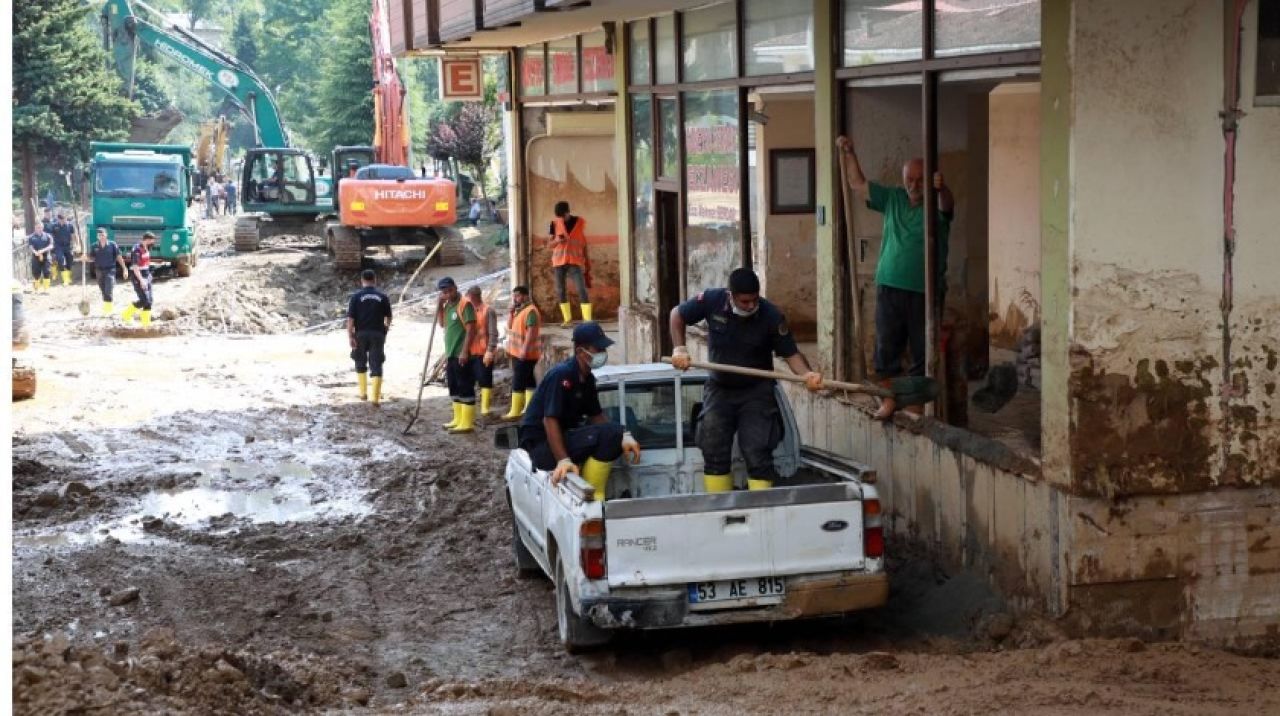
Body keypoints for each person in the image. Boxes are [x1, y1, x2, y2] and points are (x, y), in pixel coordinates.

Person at [669, 268, 823, 493]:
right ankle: (719, 509)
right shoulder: (712, 300)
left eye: (754, 300)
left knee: (757, 450)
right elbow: (677, 315)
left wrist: (807, 375)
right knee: (713, 447)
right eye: (744, 301)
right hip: (720, 389)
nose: (751, 306)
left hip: (756, 392)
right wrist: (679, 348)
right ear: (730, 295)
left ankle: (761, 512)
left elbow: (791, 354)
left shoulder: (771, 316)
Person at [836, 135, 953, 419]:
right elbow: (857, 184)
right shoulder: (894, 199)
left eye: (920, 180)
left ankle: (913, 408)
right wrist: (850, 153)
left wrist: (943, 188)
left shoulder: (937, 207)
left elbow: (947, 205)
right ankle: (890, 400)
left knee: (922, 354)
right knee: (886, 352)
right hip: (889, 287)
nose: (913, 185)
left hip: (924, 290)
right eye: (909, 179)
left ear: (930, 181)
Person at [518, 322, 641, 500]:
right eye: (597, 349)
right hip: (541, 448)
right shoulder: (562, 375)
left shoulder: (587, 379)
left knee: (614, 433)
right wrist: (563, 460)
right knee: (610, 435)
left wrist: (624, 434)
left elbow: (596, 416)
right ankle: (592, 499)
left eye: (603, 349)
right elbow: (549, 420)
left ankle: (592, 492)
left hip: (562, 440)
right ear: (580, 351)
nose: (602, 354)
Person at [437, 276, 478, 434]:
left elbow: (471, 329)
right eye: (444, 292)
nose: (447, 294)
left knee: (465, 386)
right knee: (454, 386)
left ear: (455, 287)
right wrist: (440, 306)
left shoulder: (465, 304)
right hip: (451, 353)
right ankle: (458, 419)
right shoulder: (448, 305)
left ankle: (467, 423)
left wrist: (464, 351)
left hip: (462, 354)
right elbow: (442, 324)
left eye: (449, 290)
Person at [346, 268, 393, 405]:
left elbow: (350, 320)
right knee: (376, 363)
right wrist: (385, 329)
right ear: (375, 280)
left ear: (362, 281)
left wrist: (350, 336)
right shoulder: (383, 297)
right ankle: (375, 398)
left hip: (360, 333)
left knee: (360, 361)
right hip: (377, 334)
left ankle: (363, 393)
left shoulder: (355, 297)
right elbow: (389, 317)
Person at [501, 285, 542, 420]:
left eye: (518, 296)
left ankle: (515, 411)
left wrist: (524, 350)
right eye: (514, 296)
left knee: (518, 381)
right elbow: (510, 326)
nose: (515, 298)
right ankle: (530, 408)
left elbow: (531, 331)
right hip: (519, 352)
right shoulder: (519, 311)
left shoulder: (530, 311)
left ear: (525, 296)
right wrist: (511, 312)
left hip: (526, 354)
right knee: (529, 380)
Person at [549, 200, 591, 327]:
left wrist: (587, 262)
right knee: (561, 290)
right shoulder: (553, 224)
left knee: (581, 289)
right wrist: (557, 240)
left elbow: (584, 243)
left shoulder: (580, 223)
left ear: (568, 212)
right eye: (559, 216)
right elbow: (549, 245)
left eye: (562, 215)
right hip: (558, 262)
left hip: (575, 262)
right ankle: (567, 320)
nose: (561, 218)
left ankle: (588, 321)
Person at [463, 285, 499, 418]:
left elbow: (493, 332)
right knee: (470, 380)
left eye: (468, 297)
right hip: (470, 352)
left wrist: (490, 351)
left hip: (483, 353)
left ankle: (485, 408)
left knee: (485, 380)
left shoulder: (488, 311)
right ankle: (472, 407)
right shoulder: (468, 311)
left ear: (472, 297)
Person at [122, 232, 157, 327]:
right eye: (151, 242)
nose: (152, 244)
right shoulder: (137, 250)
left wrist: (148, 276)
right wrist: (141, 280)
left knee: (149, 300)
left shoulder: (147, 247)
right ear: (147, 240)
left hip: (146, 274)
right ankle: (126, 314)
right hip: (138, 275)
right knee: (144, 300)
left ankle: (145, 324)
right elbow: (135, 267)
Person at [90, 227, 128, 316]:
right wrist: (85, 258)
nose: (101, 237)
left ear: (106, 235)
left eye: (103, 235)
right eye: (100, 235)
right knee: (103, 290)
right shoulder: (94, 246)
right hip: (99, 270)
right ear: (97, 236)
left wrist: (124, 268)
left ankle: (108, 311)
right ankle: (107, 306)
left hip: (110, 270)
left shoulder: (112, 245)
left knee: (108, 290)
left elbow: (119, 257)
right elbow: (91, 258)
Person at [50, 212, 79, 286]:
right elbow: (51, 236)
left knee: (70, 260)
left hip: (68, 246)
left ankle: (68, 277)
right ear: (58, 219)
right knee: (61, 259)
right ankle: (65, 279)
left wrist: (76, 244)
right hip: (58, 246)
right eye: (62, 220)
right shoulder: (54, 226)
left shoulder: (70, 226)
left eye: (65, 219)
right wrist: (51, 245)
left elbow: (73, 236)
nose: (63, 221)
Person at [27, 225, 54, 293]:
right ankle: (36, 288)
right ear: (35, 228)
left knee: (47, 272)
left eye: (41, 227)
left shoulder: (48, 236)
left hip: (46, 256)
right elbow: (31, 246)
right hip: (36, 257)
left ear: (43, 228)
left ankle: (46, 289)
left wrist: (43, 250)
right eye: (38, 228)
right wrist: (35, 252)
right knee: (36, 273)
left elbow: (51, 245)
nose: (39, 229)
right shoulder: (31, 237)